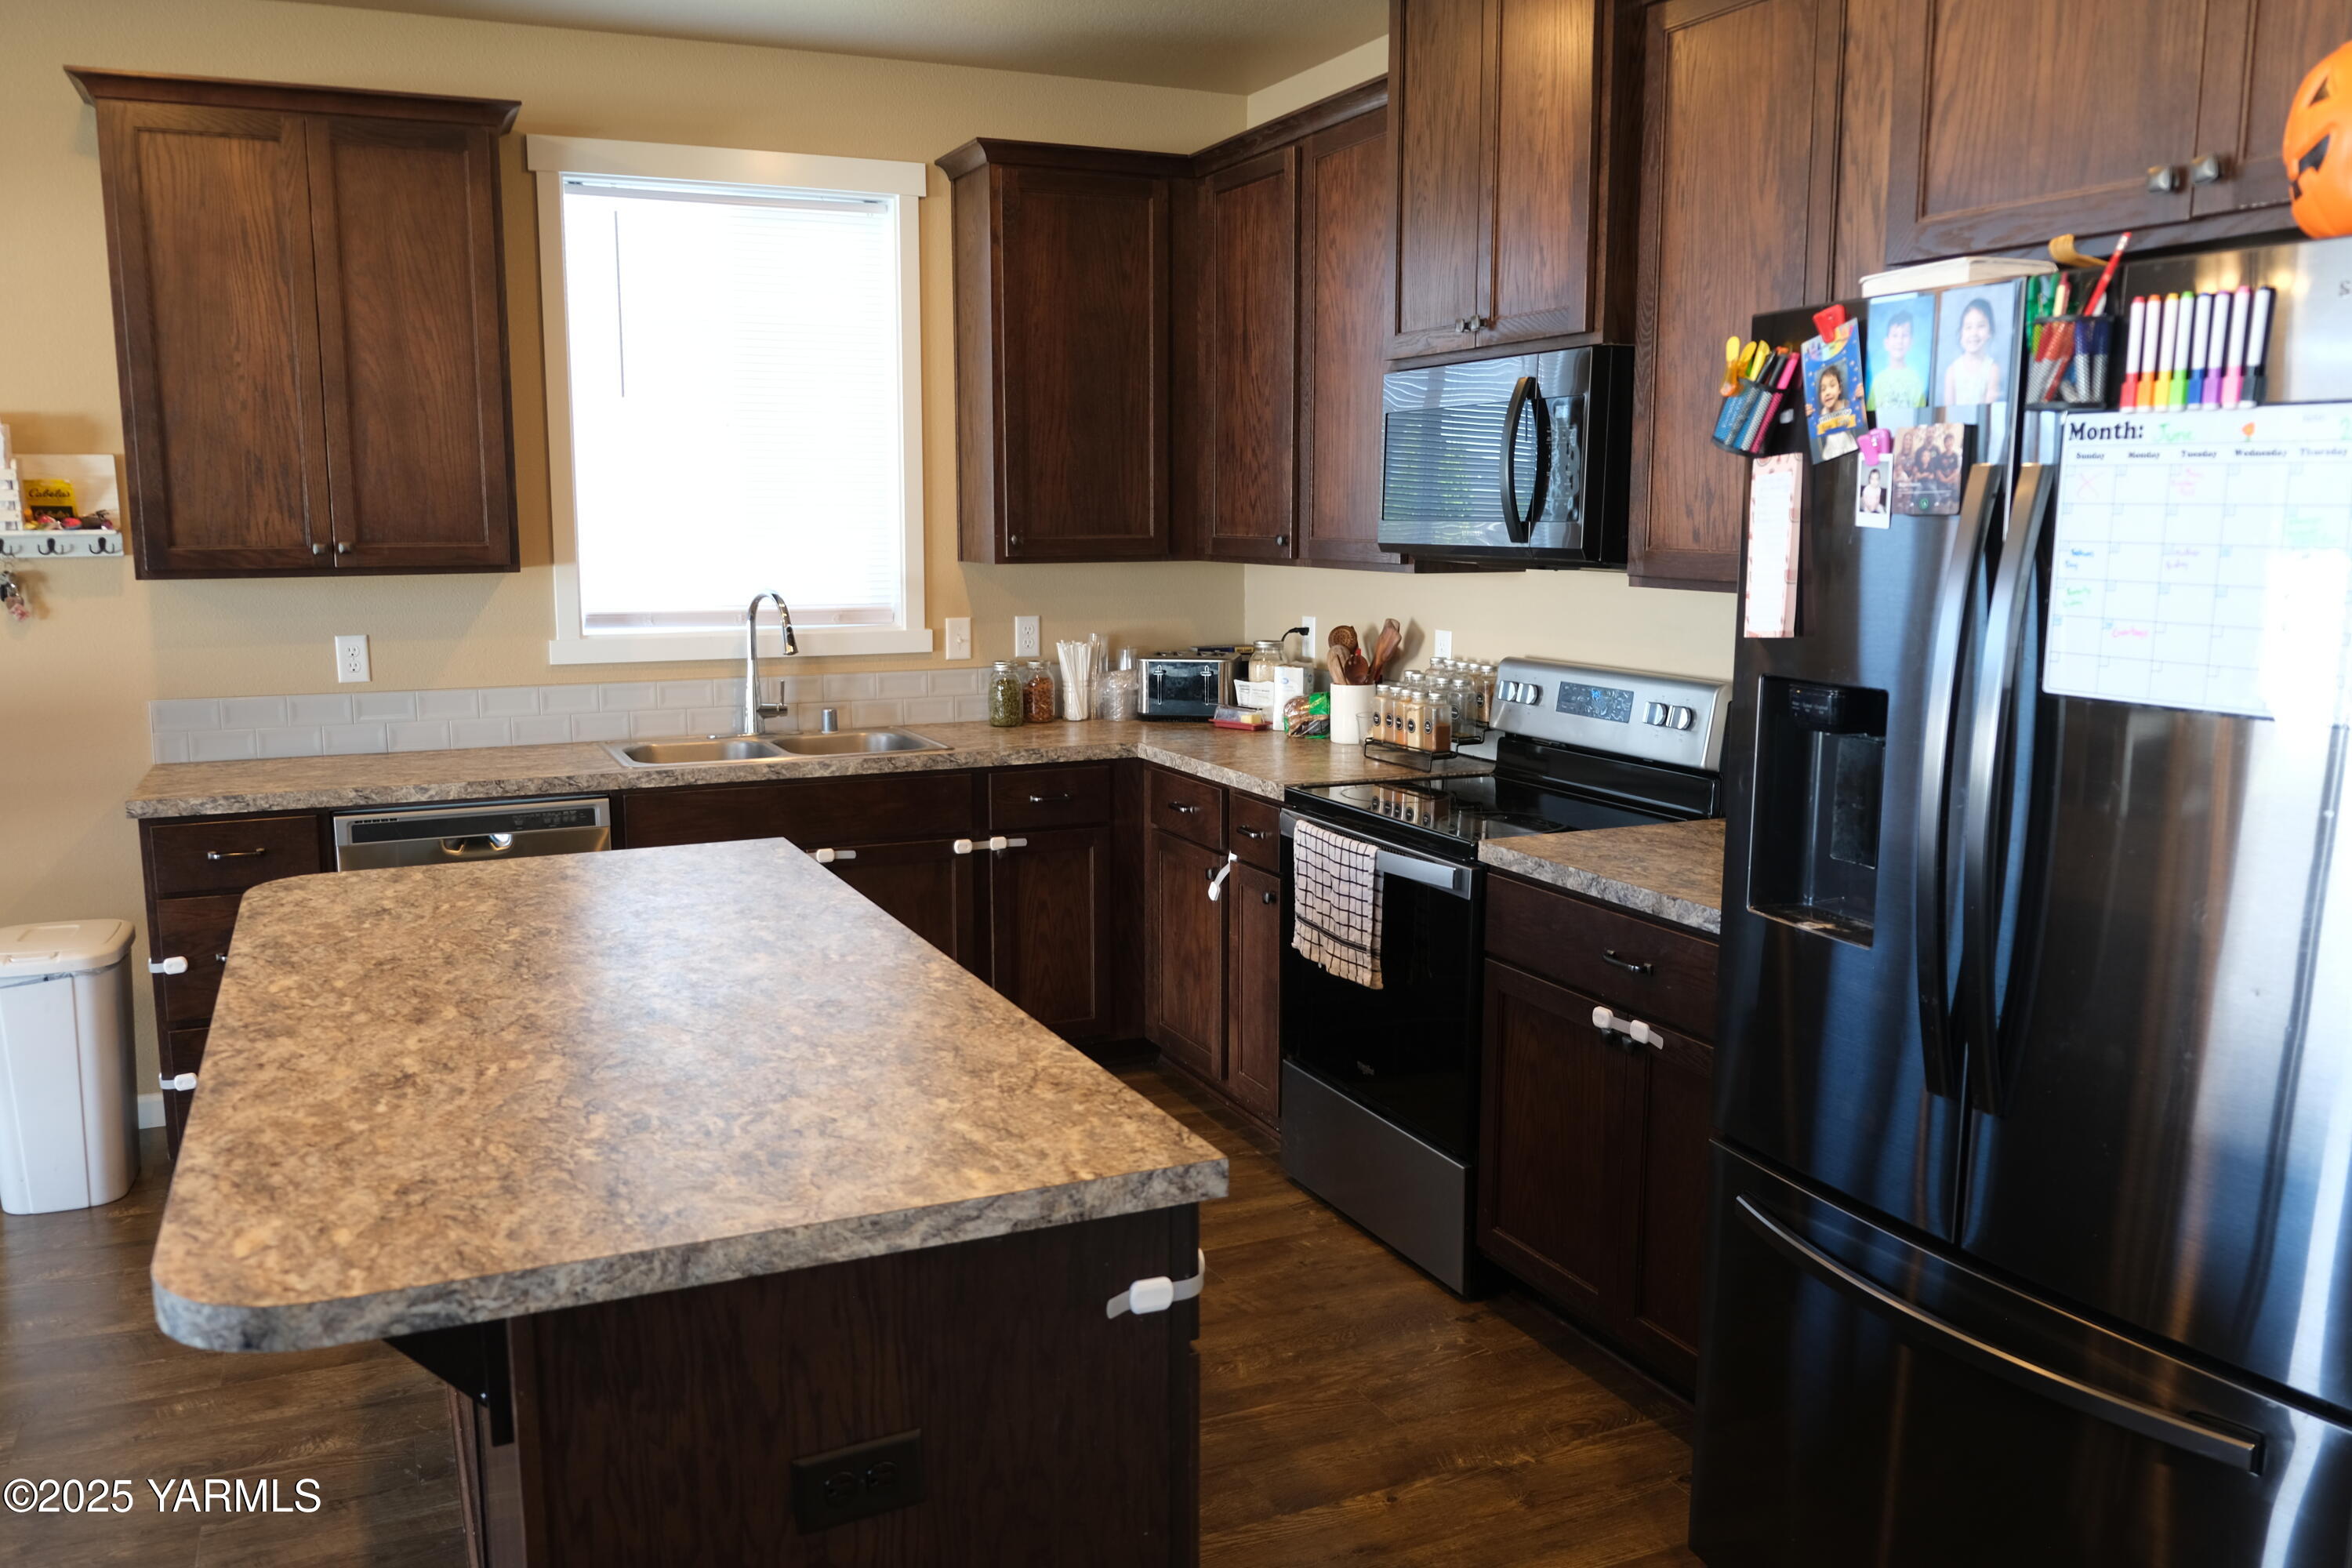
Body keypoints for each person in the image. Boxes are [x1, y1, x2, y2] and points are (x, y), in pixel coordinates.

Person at [1940, 298, 2005, 406]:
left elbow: (1989, 411)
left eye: (1981, 326)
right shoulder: (1952, 371)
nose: (1974, 333)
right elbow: (1948, 413)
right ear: (1961, 333)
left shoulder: (1993, 369)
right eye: (1968, 327)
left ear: (1990, 331)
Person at [1871, 311, 1928, 409]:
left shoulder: (1916, 380)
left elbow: (1921, 415)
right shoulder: (1878, 380)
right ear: (1886, 342)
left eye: (1904, 335)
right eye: (1895, 335)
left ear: (1911, 342)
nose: (1899, 341)